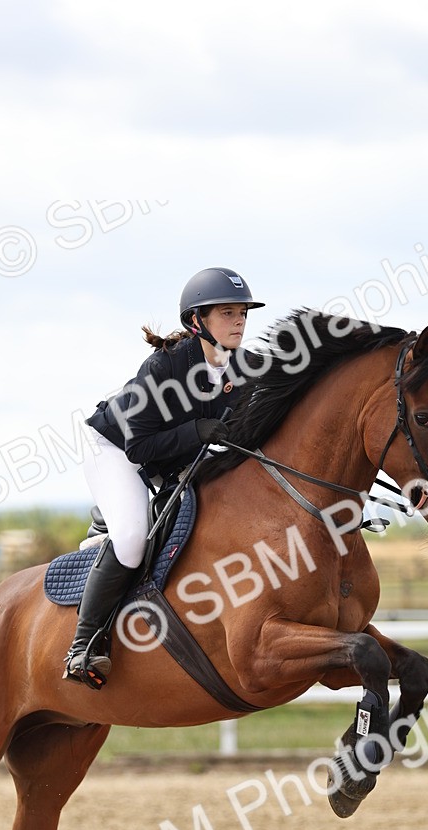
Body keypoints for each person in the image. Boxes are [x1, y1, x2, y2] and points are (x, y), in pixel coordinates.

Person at [63, 267, 265, 688]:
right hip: (116, 450)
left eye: (242, 313)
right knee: (133, 537)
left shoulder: (242, 367)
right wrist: (196, 432)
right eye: (227, 313)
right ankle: (82, 647)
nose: (239, 322)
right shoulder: (165, 365)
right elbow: (138, 448)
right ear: (197, 322)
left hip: (170, 455)